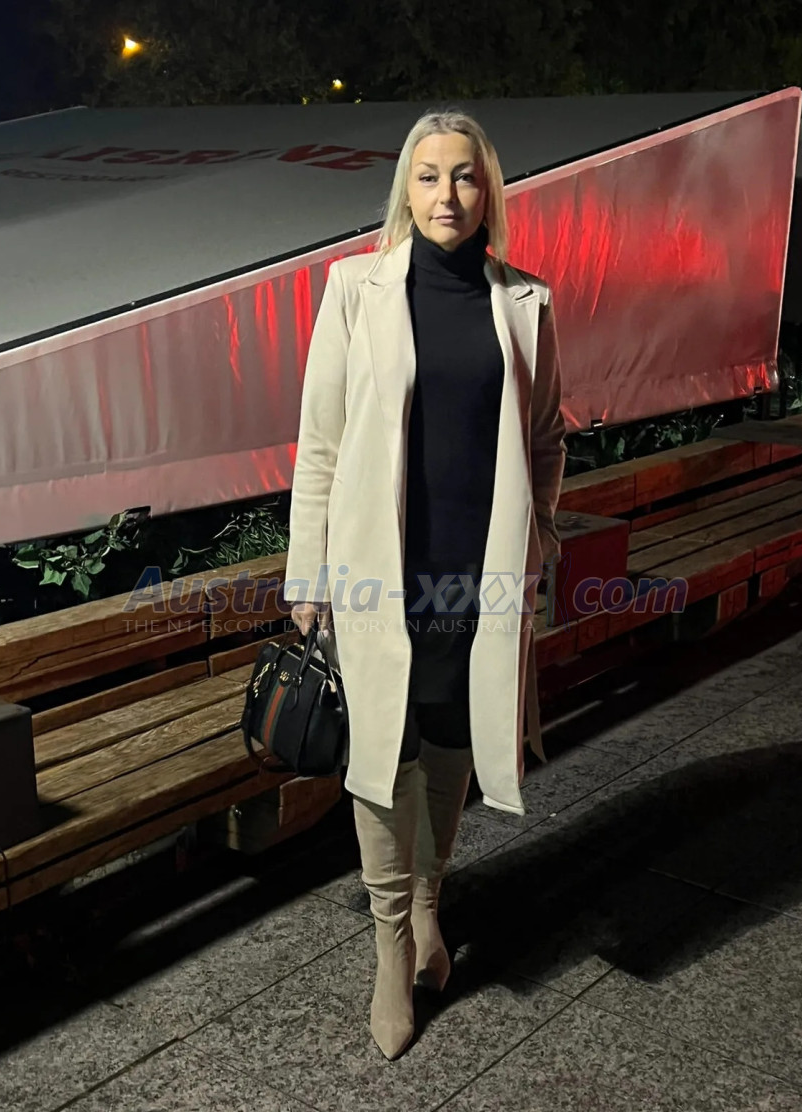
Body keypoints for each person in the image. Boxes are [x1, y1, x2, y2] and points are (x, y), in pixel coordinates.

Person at [283, 107, 567, 1060]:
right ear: (406, 189)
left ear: (489, 189)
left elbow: (547, 437)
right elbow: (319, 444)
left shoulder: (525, 301)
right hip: (380, 570)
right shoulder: (354, 290)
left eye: (466, 176)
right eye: (430, 175)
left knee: (450, 737)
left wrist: (542, 536)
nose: (449, 194)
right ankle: (389, 943)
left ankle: (432, 906)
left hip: (476, 571)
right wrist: (308, 573)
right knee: (381, 750)